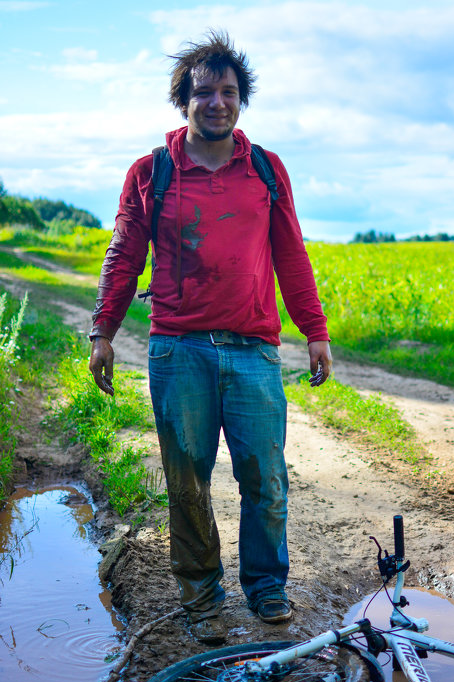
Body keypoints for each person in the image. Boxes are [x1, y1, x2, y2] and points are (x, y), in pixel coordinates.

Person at [89, 31, 332, 645]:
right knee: (187, 483)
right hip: (179, 350)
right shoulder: (152, 172)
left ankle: (266, 589)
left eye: (228, 91)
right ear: (184, 101)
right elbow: (124, 255)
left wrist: (315, 331)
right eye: (204, 92)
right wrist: (104, 331)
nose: (217, 102)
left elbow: (291, 255)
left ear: (242, 100)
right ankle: (201, 598)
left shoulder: (266, 170)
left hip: (252, 351)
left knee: (265, 477)